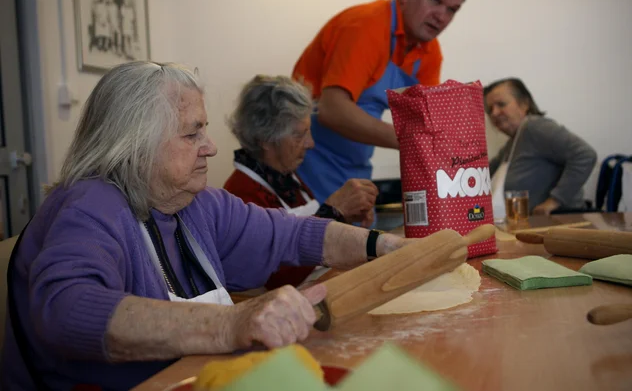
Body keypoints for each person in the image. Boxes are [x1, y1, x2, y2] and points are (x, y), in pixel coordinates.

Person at [0, 62, 416, 390]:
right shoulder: (89, 205)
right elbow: (67, 310)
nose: (211, 147)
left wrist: (384, 247)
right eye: (192, 134)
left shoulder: (195, 203)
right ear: (135, 144)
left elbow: (294, 233)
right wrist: (232, 324)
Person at [293, 0, 469, 204]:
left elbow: (424, 123)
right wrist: (413, 140)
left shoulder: (429, 51)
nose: (441, 16)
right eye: (436, 0)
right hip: (305, 163)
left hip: (354, 167)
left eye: (452, 9)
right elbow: (332, 110)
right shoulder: (365, 25)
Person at [224, 75, 379, 288]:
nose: (310, 144)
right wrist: (332, 213)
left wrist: (348, 216)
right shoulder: (242, 195)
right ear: (266, 140)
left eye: (309, 132)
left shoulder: (289, 179)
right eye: (299, 135)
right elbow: (274, 277)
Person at [484, 78, 597, 216]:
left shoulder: (534, 127)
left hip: (559, 222)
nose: (494, 113)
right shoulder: (512, 144)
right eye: (490, 109)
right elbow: (485, 172)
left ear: (524, 104)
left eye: (501, 104)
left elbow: (585, 155)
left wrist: (554, 201)